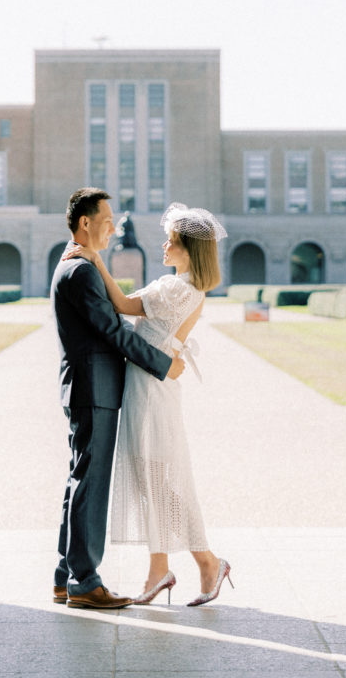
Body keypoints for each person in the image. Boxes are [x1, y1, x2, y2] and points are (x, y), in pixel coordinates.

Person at [66, 202, 232, 607]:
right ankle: (168, 566)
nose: (163, 245)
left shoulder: (175, 287)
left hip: (152, 389)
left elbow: (121, 306)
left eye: (171, 241)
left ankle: (202, 561)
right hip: (149, 383)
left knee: (156, 476)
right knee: (150, 478)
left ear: (189, 249)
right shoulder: (184, 287)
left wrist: (95, 259)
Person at [51, 188, 185, 610]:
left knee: (80, 481)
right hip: (94, 390)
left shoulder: (79, 265)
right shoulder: (80, 271)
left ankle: (65, 576)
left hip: (89, 388)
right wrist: (162, 363)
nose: (114, 226)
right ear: (85, 223)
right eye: (106, 219)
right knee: (90, 484)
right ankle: (85, 582)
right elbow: (114, 333)